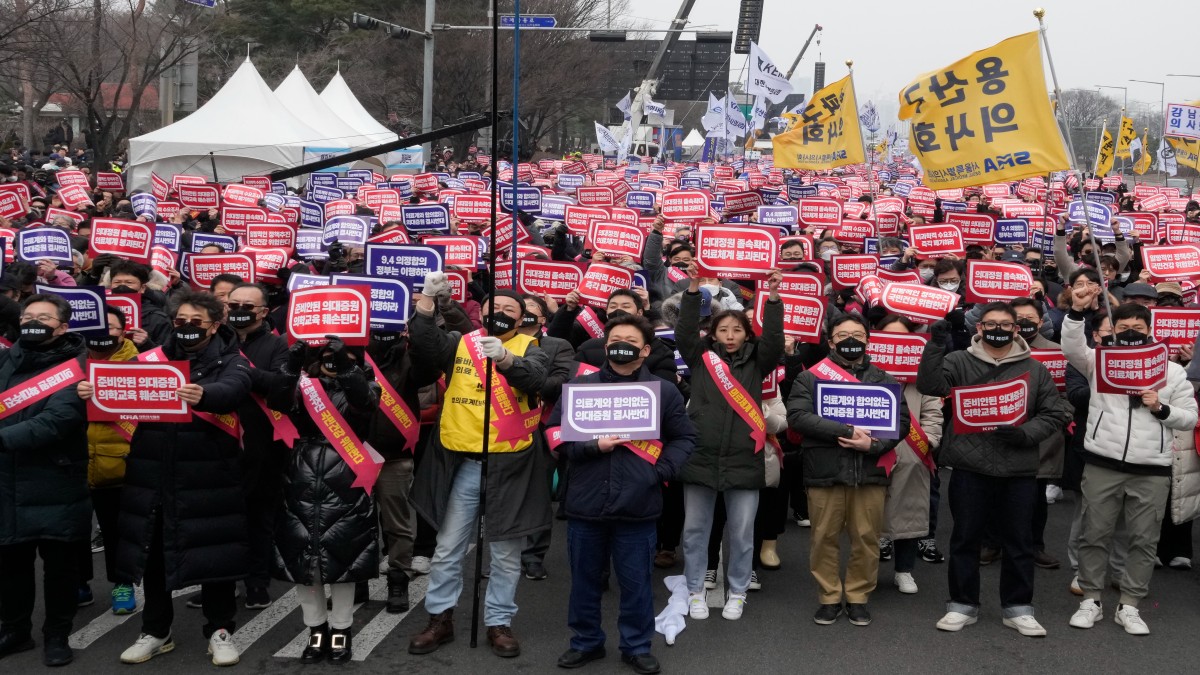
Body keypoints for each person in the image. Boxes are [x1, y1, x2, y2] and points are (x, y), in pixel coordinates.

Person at [407, 276, 551, 659]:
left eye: (510, 310)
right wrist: (426, 303)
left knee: (505, 553)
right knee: (448, 548)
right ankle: (440, 617)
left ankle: (499, 621)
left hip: (510, 465)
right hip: (463, 463)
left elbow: (536, 378)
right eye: (495, 308)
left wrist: (504, 359)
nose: (501, 314)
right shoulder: (459, 343)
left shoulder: (532, 346)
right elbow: (422, 348)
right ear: (481, 313)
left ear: (521, 320)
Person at [109, 290, 253, 666]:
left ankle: (220, 630)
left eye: (196, 322)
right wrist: (96, 393)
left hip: (209, 475)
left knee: (214, 553)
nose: (187, 327)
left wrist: (204, 394)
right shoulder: (152, 360)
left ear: (215, 325)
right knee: (153, 555)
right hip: (152, 473)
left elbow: (232, 391)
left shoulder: (231, 360)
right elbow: (119, 390)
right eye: (180, 321)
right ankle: (156, 631)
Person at [550, 313, 696, 675]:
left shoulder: (663, 391)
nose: (621, 344)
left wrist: (659, 471)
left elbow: (684, 438)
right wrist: (591, 447)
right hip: (586, 501)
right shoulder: (581, 387)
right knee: (585, 582)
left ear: (645, 350)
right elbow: (554, 434)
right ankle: (585, 642)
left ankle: (636, 645)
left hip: (639, 503)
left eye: (631, 340)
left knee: (636, 584)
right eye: (615, 337)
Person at [917, 301, 1070, 637]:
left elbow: (1054, 413)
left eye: (1005, 324)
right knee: (965, 538)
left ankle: (1017, 608)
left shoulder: (1035, 369)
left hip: (1018, 469)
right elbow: (931, 386)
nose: (997, 329)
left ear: (1016, 330)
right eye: (991, 324)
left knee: (1019, 541)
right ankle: (962, 604)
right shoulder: (958, 361)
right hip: (970, 467)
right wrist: (936, 344)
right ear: (979, 328)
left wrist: (1026, 434)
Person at [1062, 296, 1197, 635]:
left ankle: (1130, 605)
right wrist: (1077, 311)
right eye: (1123, 328)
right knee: (1094, 534)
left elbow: (1190, 418)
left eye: (1138, 328)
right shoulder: (1098, 361)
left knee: (1143, 540)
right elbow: (1072, 347)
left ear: (1150, 331)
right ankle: (1090, 600)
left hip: (1152, 469)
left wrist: (1160, 408)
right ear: (1113, 332)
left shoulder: (1172, 371)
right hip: (1102, 463)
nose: (1131, 333)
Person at [675, 263, 784, 622]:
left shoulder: (758, 363)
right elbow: (685, 332)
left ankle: (737, 591)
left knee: (741, 532)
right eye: (724, 329)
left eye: (738, 329)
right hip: (701, 456)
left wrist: (772, 297)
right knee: (694, 531)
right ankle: (694, 590)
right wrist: (693, 287)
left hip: (743, 458)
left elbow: (774, 340)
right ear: (714, 334)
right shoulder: (700, 359)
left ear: (747, 334)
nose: (731, 335)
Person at [788, 315, 910, 626]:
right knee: (823, 537)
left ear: (868, 340)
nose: (851, 340)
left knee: (866, 538)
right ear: (830, 341)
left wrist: (871, 446)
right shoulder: (810, 378)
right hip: (824, 470)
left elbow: (901, 423)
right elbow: (798, 416)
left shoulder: (884, 379)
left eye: (857, 334)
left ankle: (857, 596)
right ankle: (829, 596)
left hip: (869, 471)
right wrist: (846, 430)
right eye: (843, 335)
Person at [268, 337, 381, 663]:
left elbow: (364, 402)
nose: (331, 360)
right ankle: (316, 631)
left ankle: (342, 630)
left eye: (340, 355)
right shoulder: (303, 385)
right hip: (300, 477)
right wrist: (291, 364)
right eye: (326, 356)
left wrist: (347, 365)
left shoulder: (367, 383)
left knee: (343, 561)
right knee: (306, 565)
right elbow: (277, 401)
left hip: (347, 478)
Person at [0, 294, 89, 667]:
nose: (33, 322)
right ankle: (16, 629)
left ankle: (57, 633)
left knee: (59, 569)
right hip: (7, 481)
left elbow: (55, 422)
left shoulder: (78, 369)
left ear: (63, 327)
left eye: (43, 317)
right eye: (28, 316)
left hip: (56, 479)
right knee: (11, 566)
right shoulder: (5, 359)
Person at [224, 283, 288, 610]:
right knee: (222, 517)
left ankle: (257, 583)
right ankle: (221, 583)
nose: (239, 310)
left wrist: (244, 371)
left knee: (258, 517)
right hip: (218, 441)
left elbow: (281, 384)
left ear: (263, 311)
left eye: (248, 306)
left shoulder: (279, 345)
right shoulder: (216, 341)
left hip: (262, 443)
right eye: (234, 304)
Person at [873, 315, 942, 596]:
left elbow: (933, 413)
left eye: (902, 339)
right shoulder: (864, 372)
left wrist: (929, 441)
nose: (895, 346)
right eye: (889, 339)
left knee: (910, 514)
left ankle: (904, 571)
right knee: (869, 514)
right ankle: (866, 572)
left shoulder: (923, 377)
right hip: (871, 451)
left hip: (913, 453)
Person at [77, 305, 140, 616]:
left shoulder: (141, 364)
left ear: (123, 331)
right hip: (74, 462)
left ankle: (122, 583)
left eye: (110, 327)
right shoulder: (69, 364)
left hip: (119, 462)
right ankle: (79, 582)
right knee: (73, 530)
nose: (103, 334)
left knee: (116, 530)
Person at [517, 294, 575, 582]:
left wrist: (522, 378)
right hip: (501, 429)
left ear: (542, 318)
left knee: (538, 493)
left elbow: (562, 382)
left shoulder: (557, 345)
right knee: (506, 496)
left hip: (540, 426)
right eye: (520, 309)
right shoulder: (497, 343)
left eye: (531, 310)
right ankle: (506, 555)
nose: (525, 314)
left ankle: (533, 556)